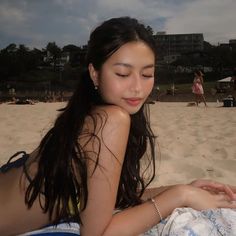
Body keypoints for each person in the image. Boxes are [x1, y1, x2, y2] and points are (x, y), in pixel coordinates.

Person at [0, 17, 236, 236]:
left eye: (147, 74)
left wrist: (186, 187)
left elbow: (112, 198)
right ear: (95, 73)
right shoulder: (111, 120)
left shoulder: (90, 112)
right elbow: (97, 233)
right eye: (123, 74)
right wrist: (181, 195)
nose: (137, 87)